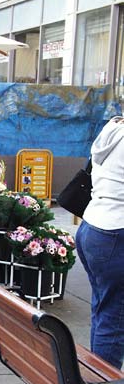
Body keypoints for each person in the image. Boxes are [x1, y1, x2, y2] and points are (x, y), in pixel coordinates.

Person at [76, 115, 124, 370]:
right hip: (116, 234)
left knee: (104, 310)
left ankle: (97, 377)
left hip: (93, 228)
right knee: (114, 320)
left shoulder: (113, 128)